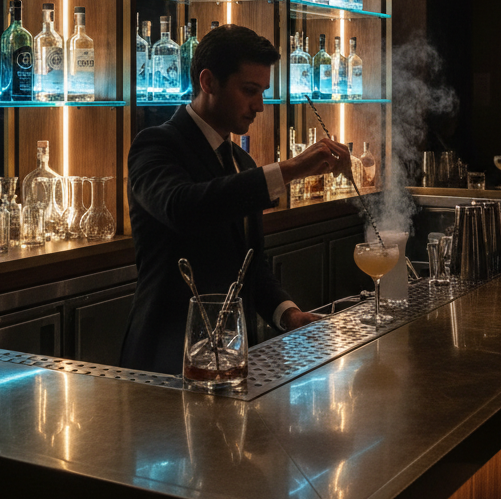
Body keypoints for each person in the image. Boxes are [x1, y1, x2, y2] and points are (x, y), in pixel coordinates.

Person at [120, 24, 353, 375]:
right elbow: (183, 208)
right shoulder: (155, 145)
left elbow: (249, 264)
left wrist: (288, 314)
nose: (259, 105)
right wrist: (288, 170)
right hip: (167, 357)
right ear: (208, 82)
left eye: (262, 92)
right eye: (249, 91)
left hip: (233, 356)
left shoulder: (242, 161)